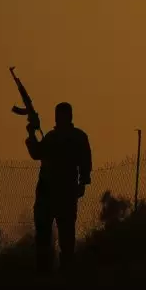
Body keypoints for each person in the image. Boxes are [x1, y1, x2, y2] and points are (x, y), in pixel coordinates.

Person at [25, 102, 92, 273]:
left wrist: (82, 183)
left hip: (65, 194)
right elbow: (36, 153)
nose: (58, 118)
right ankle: (44, 273)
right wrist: (31, 133)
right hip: (47, 194)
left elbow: (85, 162)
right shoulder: (51, 137)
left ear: (68, 116)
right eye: (57, 115)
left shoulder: (77, 138)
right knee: (43, 237)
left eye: (61, 115)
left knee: (66, 238)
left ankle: (65, 273)